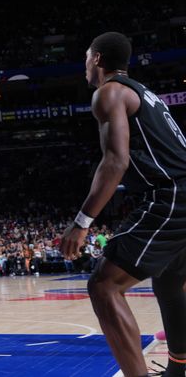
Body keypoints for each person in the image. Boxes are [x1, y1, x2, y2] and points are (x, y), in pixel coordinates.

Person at [60, 32, 186, 377]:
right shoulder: (143, 92)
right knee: (170, 281)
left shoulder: (109, 92)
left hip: (173, 193)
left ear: (98, 59)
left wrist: (82, 222)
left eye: (87, 57)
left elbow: (116, 161)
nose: (85, 65)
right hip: (180, 190)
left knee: (103, 284)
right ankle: (180, 369)